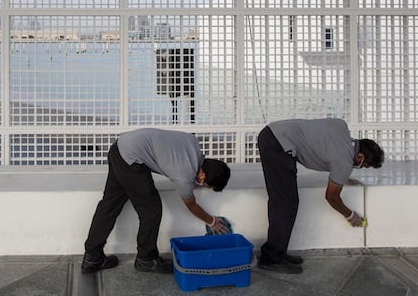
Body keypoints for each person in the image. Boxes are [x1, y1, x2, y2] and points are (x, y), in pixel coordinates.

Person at [82, 128, 232, 275]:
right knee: (151, 210)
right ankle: (146, 259)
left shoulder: (193, 142)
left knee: (109, 205)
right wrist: (212, 222)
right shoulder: (184, 176)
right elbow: (191, 205)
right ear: (202, 175)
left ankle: (92, 257)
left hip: (119, 148)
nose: (201, 185)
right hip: (132, 159)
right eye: (205, 184)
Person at [256, 118, 384, 274]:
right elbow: (332, 197)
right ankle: (271, 259)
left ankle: (277, 252)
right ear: (360, 157)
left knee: (282, 200)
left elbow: (325, 146)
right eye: (364, 165)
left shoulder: (341, 126)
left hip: (275, 134)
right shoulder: (343, 161)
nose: (360, 167)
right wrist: (350, 216)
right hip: (278, 144)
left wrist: (343, 177)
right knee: (286, 203)